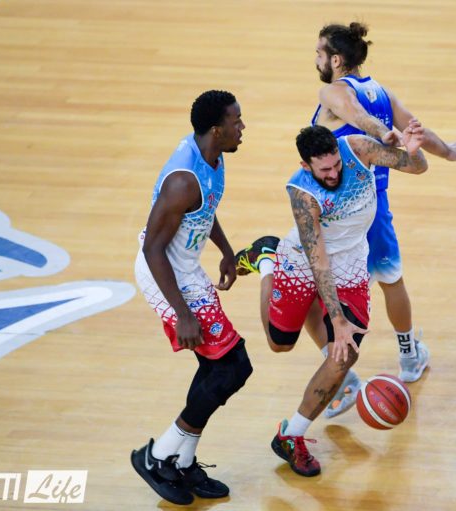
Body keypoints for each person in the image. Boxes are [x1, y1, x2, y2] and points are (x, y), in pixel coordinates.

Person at [235, 121, 428, 477]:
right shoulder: (302, 193)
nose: (334, 173)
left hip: (351, 264)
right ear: (305, 165)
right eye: (324, 170)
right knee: (280, 344)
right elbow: (318, 260)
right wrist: (336, 319)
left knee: (346, 352)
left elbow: (418, 168)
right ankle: (266, 260)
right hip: (304, 261)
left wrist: (414, 153)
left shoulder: (359, 149)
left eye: (336, 164)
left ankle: (291, 435)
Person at [307, 22, 456, 418]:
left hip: (337, 210)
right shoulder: (383, 92)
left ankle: (341, 376)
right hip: (376, 208)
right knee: (391, 280)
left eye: (319, 53)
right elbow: (415, 128)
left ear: (336, 60)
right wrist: (447, 151)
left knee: (317, 293)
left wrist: (384, 134)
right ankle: (409, 355)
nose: (316, 60)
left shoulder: (332, 92)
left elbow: (355, 114)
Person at [131, 90, 252, 505]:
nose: (242, 127)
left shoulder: (213, 157)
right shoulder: (183, 180)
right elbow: (152, 249)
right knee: (232, 367)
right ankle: (158, 456)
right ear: (216, 129)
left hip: (184, 268)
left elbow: (205, 208)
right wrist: (182, 314)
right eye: (236, 121)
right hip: (162, 273)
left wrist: (226, 250)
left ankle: (181, 462)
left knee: (221, 368)